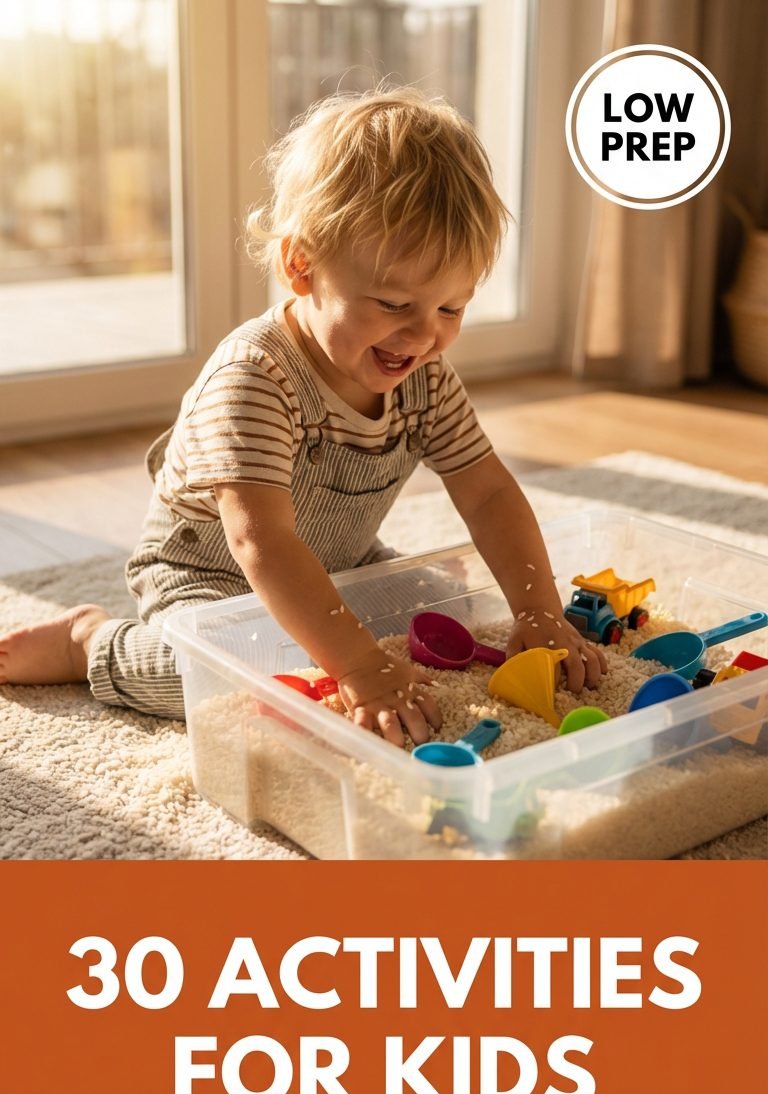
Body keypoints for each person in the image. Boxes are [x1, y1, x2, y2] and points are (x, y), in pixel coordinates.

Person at [0, 87, 606, 748]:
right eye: (392, 303)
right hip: (210, 577)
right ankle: (88, 641)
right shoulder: (256, 378)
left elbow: (487, 492)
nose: (423, 336)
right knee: (229, 679)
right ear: (301, 265)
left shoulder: (426, 377)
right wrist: (360, 668)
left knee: (463, 615)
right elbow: (261, 541)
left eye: (450, 309)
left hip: (342, 561)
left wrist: (537, 609)